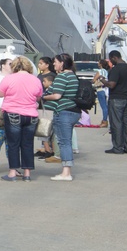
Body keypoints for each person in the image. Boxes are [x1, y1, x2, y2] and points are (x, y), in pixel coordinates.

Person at [0, 56, 43, 181]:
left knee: (13, 144)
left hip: (13, 113)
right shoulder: (35, 80)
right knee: (27, 144)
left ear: (13, 67)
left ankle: (12, 172)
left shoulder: (9, 78)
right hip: (31, 115)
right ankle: (27, 173)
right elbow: (38, 97)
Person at [43, 53, 80, 181]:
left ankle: (66, 172)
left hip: (64, 112)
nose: (54, 64)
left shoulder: (62, 77)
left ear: (62, 63)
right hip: (74, 111)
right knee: (66, 141)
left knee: (64, 142)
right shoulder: (73, 76)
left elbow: (57, 96)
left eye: (55, 62)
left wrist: (43, 97)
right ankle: (66, 171)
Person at [105, 50, 127, 154]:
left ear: (114, 58)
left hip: (116, 98)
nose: (110, 62)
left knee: (116, 123)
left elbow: (112, 85)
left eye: (110, 60)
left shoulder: (116, 69)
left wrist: (103, 80)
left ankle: (118, 148)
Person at [93, 60, 110, 127]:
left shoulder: (99, 71)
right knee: (106, 106)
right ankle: (106, 120)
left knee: (104, 107)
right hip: (106, 89)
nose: (98, 64)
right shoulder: (107, 71)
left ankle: (104, 121)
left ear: (101, 64)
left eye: (99, 63)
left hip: (100, 89)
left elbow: (94, 80)